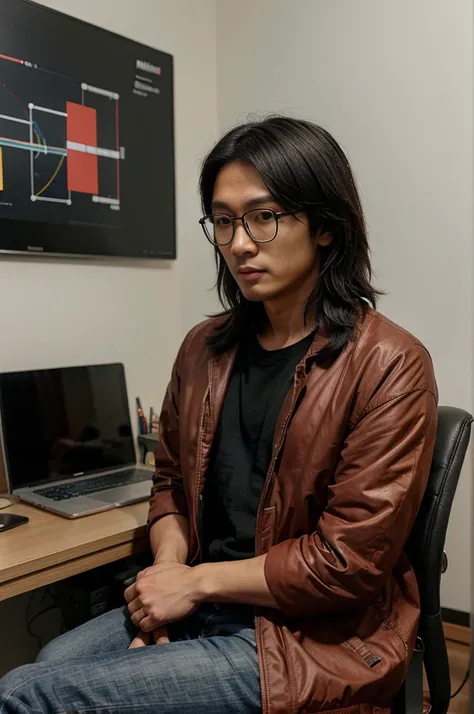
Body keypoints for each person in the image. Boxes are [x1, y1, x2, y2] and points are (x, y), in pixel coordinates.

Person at [0, 116, 438, 714]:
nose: (239, 243)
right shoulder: (204, 348)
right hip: (206, 599)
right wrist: (164, 581)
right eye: (224, 220)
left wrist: (195, 583)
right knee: (51, 665)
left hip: (315, 636)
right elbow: (171, 487)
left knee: (26, 696)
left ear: (327, 227)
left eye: (264, 216)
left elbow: (347, 563)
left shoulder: (390, 362)